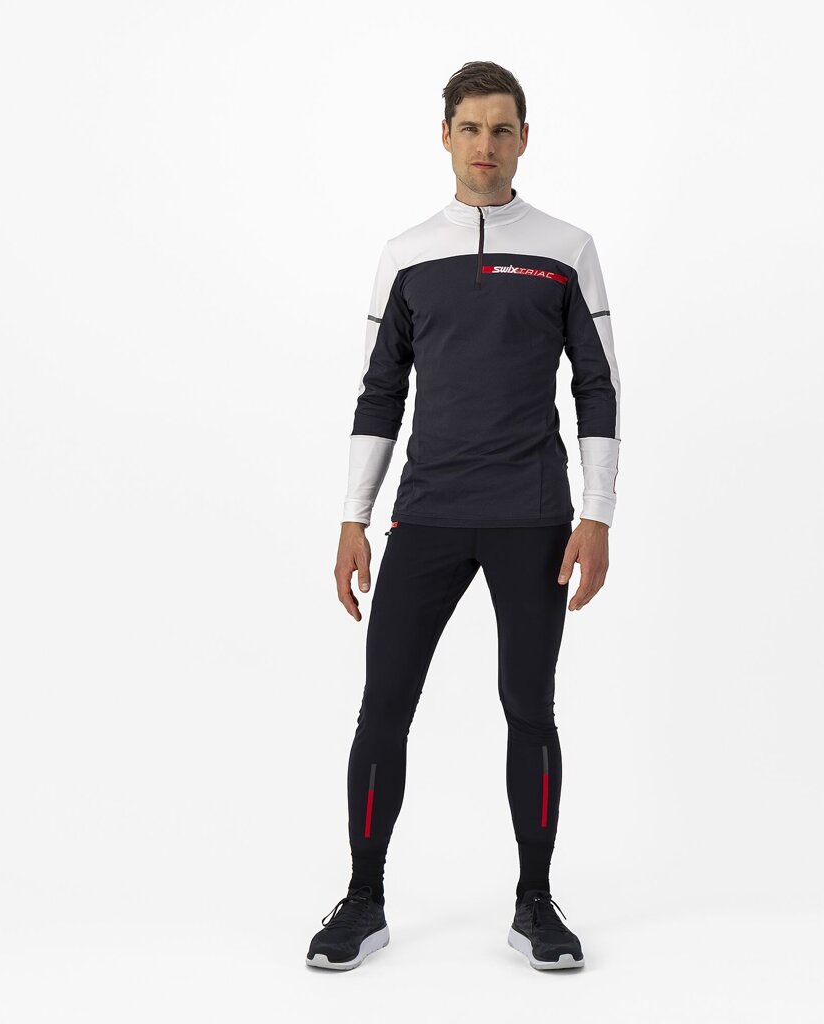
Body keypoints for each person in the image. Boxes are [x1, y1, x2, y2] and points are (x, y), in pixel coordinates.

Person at [306, 60, 621, 972]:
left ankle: (536, 902)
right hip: (429, 516)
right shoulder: (406, 253)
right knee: (383, 710)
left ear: (525, 139)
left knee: (530, 707)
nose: (487, 145)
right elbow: (379, 392)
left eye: (502, 129)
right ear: (445, 135)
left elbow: (598, 386)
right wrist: (352, 518)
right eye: (471, 128)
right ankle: (363, 899)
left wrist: (597, 514)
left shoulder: (566, 248)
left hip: (534, 518)